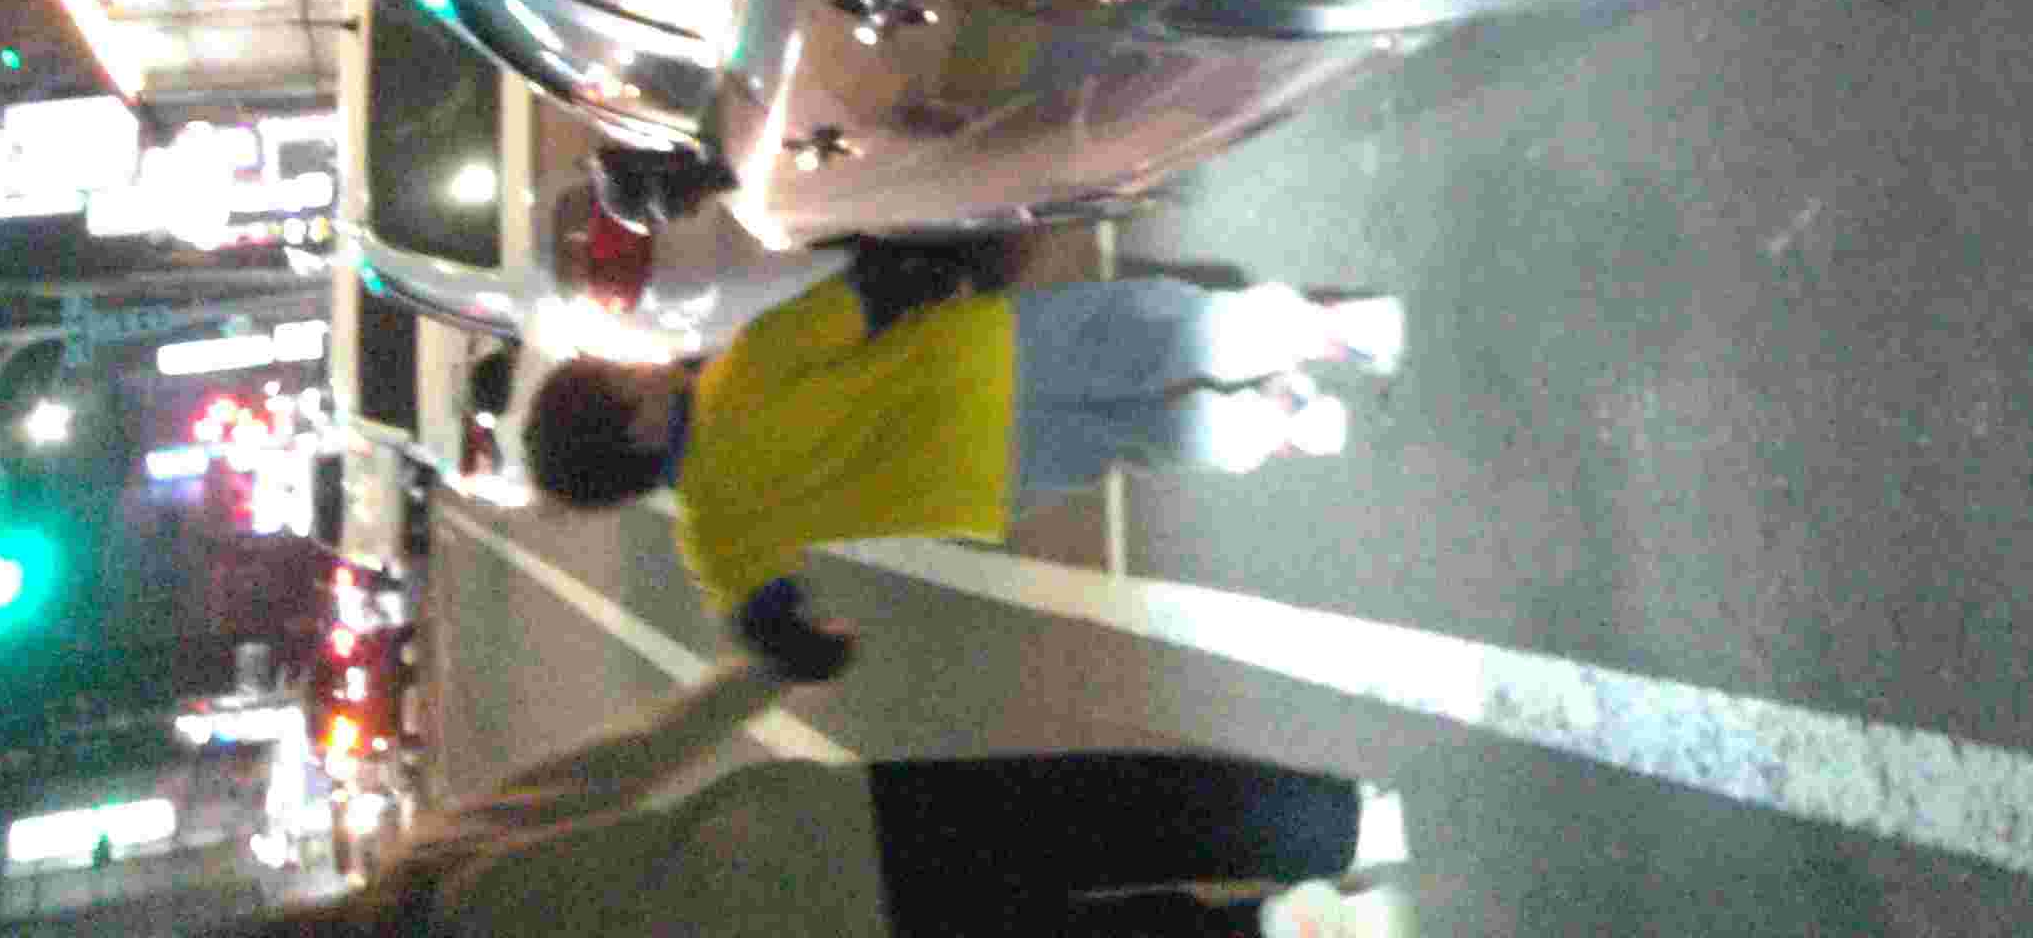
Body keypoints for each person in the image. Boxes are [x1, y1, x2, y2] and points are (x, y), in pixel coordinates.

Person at [524, 274, 1403, 678]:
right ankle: (1334, 332)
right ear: (637, 418)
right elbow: (869, 295)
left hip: (983, 483)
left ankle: (1281, 426)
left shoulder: (711, 533)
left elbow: (768, 624)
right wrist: (956, 259)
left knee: (1138, 435)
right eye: (625, 372)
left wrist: (816, 642)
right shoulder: (741, 371)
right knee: (1152, 333)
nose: (643, 364)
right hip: (986, 359)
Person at [218, 646, 1405, 936]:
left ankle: (1294, 928)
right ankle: (1340, 824)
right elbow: (631, 758)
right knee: (1086, 817)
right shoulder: (441, 866)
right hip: (823, 837)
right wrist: (766, 669)